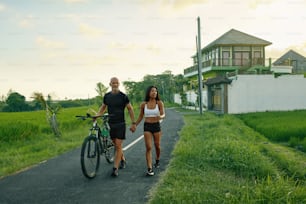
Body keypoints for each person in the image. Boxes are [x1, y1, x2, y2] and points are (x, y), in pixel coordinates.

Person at [95, 77, 136, 177]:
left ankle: (115, 169)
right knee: (116, 145)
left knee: (118, 145)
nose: (115, 84)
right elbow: (103, 107)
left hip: (121, 123)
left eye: (116, 83)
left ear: (119, 84)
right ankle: (123, 159)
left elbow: (130, 109)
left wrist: (133, 122)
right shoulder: (107, 96)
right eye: (113, 83)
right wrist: (97, 115)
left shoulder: (123, 96)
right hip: (111, 123)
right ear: (110, 84)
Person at [132, 85, 165, 176]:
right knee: (149, 147)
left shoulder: (159, 103)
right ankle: (149, 168)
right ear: (148, 93)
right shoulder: (143, 104)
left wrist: (160, 117)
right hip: (147, 126)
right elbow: (140, 116)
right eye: (152, 91)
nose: (154, 93)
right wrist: (135, 125)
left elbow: (163, 114)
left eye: (155, 91)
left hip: (156, 126)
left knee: (157, 146)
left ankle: (157, 160)